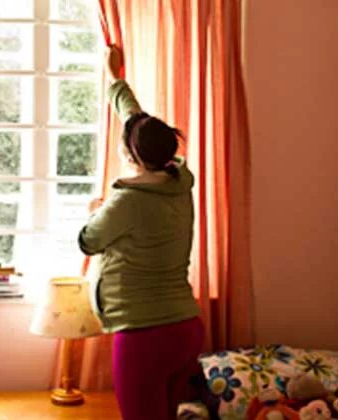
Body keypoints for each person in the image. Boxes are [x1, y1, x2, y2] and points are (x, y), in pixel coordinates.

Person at [78, 46, 205, 420]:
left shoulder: (126, 202)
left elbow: (88, 240)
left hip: (144, 337)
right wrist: (114, 77)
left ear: (132, 156)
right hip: (185, 329)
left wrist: (96, 210)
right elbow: (134, 117)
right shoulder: (178, 181)